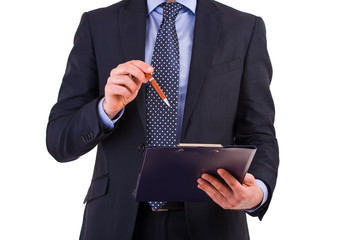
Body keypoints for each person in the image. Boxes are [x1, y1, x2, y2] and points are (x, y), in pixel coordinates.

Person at [46, 0, 279, 239]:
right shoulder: (97, 24)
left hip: (211, 219)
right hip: (116, 222)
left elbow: (259, 133)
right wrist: (106, 109)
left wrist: (258, 192)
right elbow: (59, 141)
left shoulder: (243, 27)